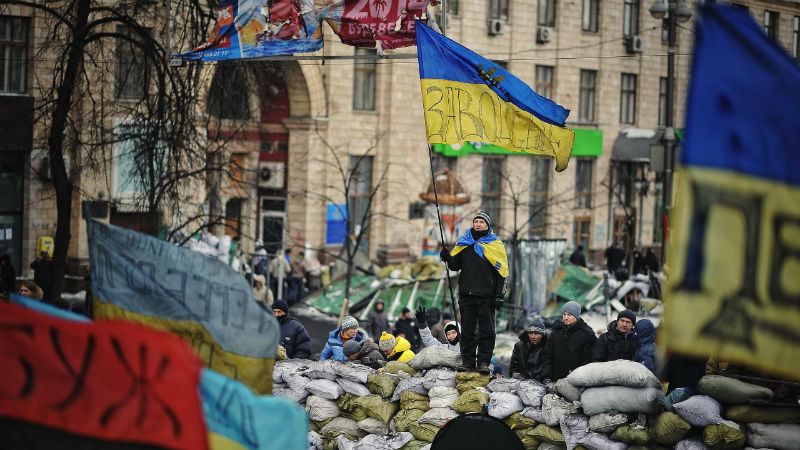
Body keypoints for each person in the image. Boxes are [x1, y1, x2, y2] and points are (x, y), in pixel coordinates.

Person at [440, 211, 508, 374]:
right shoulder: (464, 243)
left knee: (487, 331)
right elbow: (455, 266)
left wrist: (499, 295)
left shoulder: (495, 245)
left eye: (481, 222)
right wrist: (448, 257)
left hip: (487, 296)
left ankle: (484, 362)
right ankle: (468, 362)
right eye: (475, 221)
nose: (477, 224)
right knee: (468, 331)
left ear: (487, 225)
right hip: (466, 295)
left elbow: (502, 273)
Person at [541, 301, 597, 382]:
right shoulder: (556, 332)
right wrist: (546, 377)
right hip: (554, 380)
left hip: (575, 382)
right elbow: (547, 356)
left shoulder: (587, 335)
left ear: (576, 316)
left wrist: (577, 378)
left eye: (569, 315)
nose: (566, 317)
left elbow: (587, 362)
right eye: (564, 314)